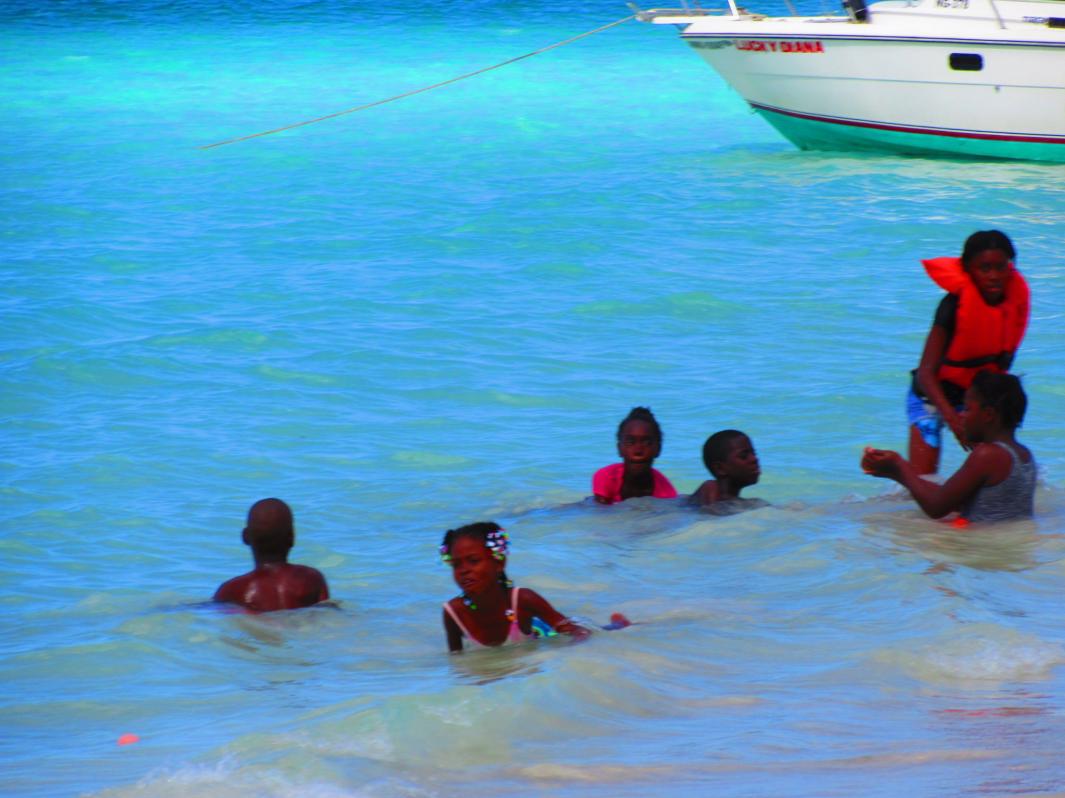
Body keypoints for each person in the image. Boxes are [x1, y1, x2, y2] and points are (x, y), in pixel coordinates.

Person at [907, 230, 1029, 475]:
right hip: (930, 397)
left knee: (1001, 471)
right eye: (984, 268)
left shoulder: (1015, 303)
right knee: (924, 481)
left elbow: (1001, 370)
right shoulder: (953, 306)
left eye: (1001, 267)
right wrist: (953, 420)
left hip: (974, 399)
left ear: (1011, 267)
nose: (994, 276)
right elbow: (925, 374)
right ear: (968, 269)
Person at [862, 372, 1035, 523]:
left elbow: (936, 507)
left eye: (967, 409)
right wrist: (895, 474)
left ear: (988, 414)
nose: (962, 415)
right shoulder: (1025, 456)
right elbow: (954, 499)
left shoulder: (987, 455)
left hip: (977, 545)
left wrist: (899, 466)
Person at [440, 522, 628, 652]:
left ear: (499, 563)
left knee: (601, 631)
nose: (464, 570)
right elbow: (457, 660)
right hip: (525, 632)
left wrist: (572, 653)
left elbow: (577, 632)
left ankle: (618, 624)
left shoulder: (523, 599)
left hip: (543, 632)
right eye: (456, 564)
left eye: (473, 561)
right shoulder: (453, 612)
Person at [214, 498, 330, 612]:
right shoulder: (311, 578)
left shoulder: (232, 591)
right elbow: (327, 613)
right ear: (292, 538)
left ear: (245, 537)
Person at [592, 407, 677, 504]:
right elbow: (599, 511)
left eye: (647, 443)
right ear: (619, 449)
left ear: (658, 449)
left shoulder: (666, 494)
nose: (638, 451)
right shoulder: (607, 477)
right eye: (630, 442)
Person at [690, 429, 763, 507]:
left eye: (754, 453)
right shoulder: (749, 506)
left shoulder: (705, 492)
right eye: (743, 456)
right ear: (720, 469)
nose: (754, 459)